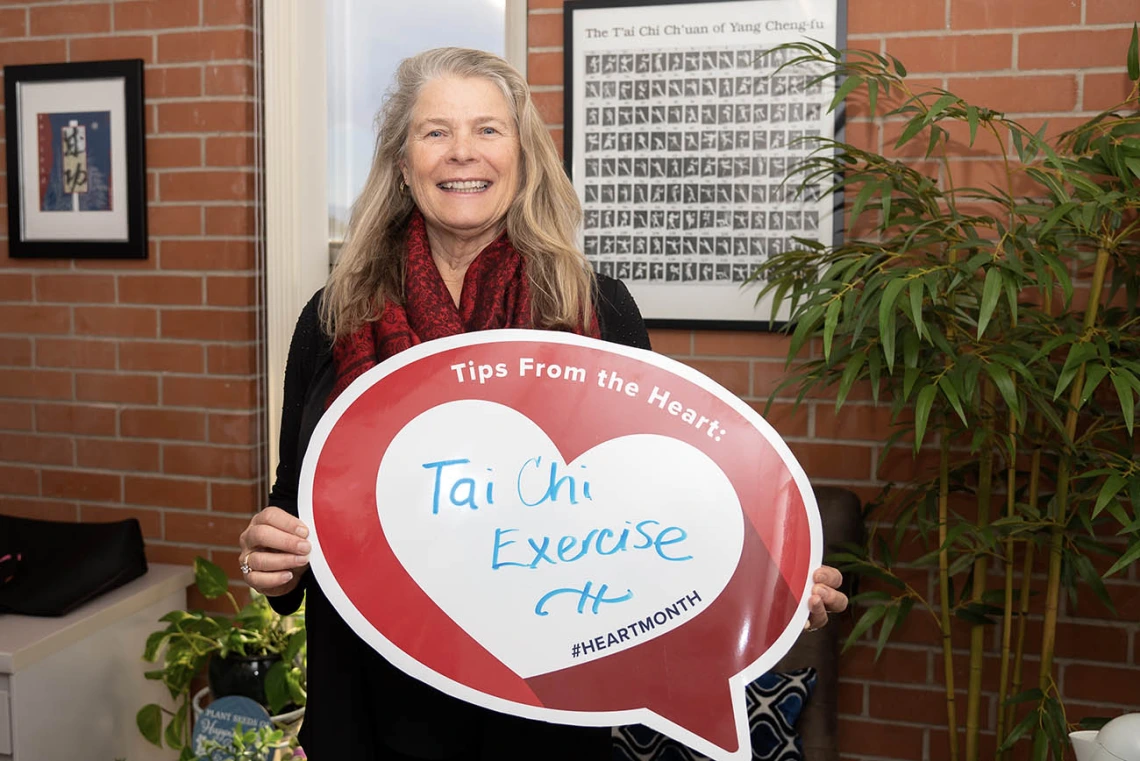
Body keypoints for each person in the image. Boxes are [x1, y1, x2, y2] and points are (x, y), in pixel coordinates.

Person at [236, 47, 848, 760]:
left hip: (542, 720)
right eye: (435, 132)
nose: (462, 152)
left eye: (488, 130)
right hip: (369, 706)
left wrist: (768, 578)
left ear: (523, 156)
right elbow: (295, 511)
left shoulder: (593, 309)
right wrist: (269, 558)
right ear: (403, 165)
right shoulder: (334, 317)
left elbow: (649, 511)